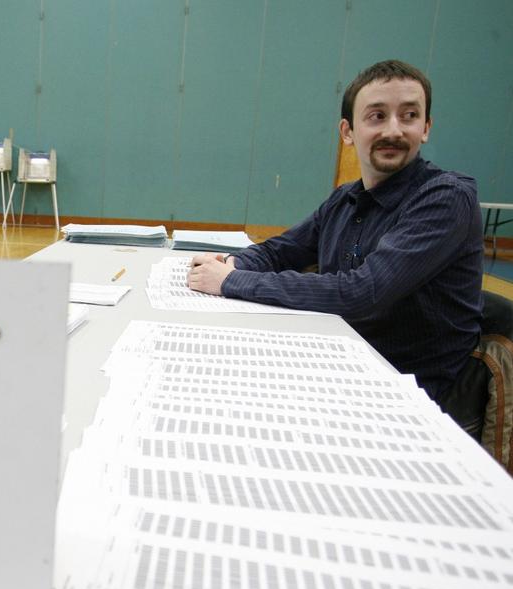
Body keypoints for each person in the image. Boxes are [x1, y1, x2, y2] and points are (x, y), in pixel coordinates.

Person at [187, 59, 483, 404]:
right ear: (347, 132)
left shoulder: (445, 198)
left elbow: (362, 293)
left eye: (409, 115)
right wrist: (232, 261)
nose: (393, 130)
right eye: (377, 116)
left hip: (408, 392)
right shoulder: (345, 199)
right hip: (342, 360)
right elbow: (278, 251)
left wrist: (229, 280)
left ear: (426, 127)